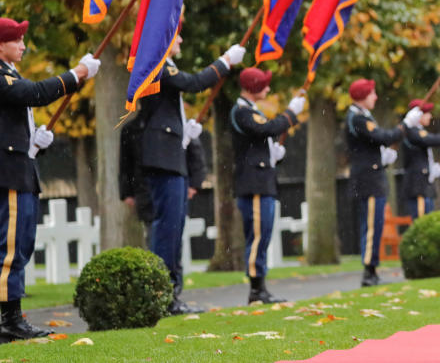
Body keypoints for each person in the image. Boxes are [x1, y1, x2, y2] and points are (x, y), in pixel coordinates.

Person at [0, 17, 100, 342]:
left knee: (22, 245)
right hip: (7, 171)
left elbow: (12, 120)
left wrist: (34, 142)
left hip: (21, 167)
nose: (23, 45)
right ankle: (9, 321)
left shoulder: (8, 74)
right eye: (17, 40)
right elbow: (34, 94)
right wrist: (76, 75)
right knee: (9, 248)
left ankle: (15, 319)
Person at [138, 33, 245, 314]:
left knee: (174, 228)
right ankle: (164, 293)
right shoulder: (160, 64)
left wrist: (183, 134)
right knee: (168, 228)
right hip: (164, 159)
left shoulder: (161, 66)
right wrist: (225, 62)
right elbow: (193, 83)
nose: (182, 40)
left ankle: (172, 292)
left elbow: (168, 106)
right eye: (176, 36)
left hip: (171, 155)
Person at [230, 67, 305, 303]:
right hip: (253, 183)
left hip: (263, 181)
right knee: (258, 236)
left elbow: (260, 139)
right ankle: (256, 288)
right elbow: (265, 129)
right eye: (264, 84)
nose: (269, 88)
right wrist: (291, 114)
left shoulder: (251, 110)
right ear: (253, 87)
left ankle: (260, 286)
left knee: (263, 236)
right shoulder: (242, 111)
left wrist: (274, 155)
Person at [119, 112, 208, 284]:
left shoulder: (176, 126)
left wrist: (193, 183)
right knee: (156, 239)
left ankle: (172, 285)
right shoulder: (133, 129)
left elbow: (194, 154)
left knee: (174, 241)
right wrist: (127, 192)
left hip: (172, 189)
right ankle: (161, 284)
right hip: (146, 191)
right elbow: (126, 164)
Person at [345, 78, 412, 287]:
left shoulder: (363, 115)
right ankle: (369, 271)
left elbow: (373, 144)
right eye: (372, 93)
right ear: (363, 96)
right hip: (368, 180)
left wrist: (383, 158)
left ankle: (371, 269)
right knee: (372, 226)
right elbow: (382, 136)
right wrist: (405, 126)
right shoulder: (357, 117)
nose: (375, 97)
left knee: (375, 225)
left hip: (373, 176)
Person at [400, 99, 440, 219]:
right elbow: (434, 140)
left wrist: (431, 168)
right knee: (421, 222)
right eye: (426, 112)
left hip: (423, 186)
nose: (430, 116)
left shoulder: (417, 130)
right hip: (418, 187)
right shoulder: (412, 131)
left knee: (427, 220)